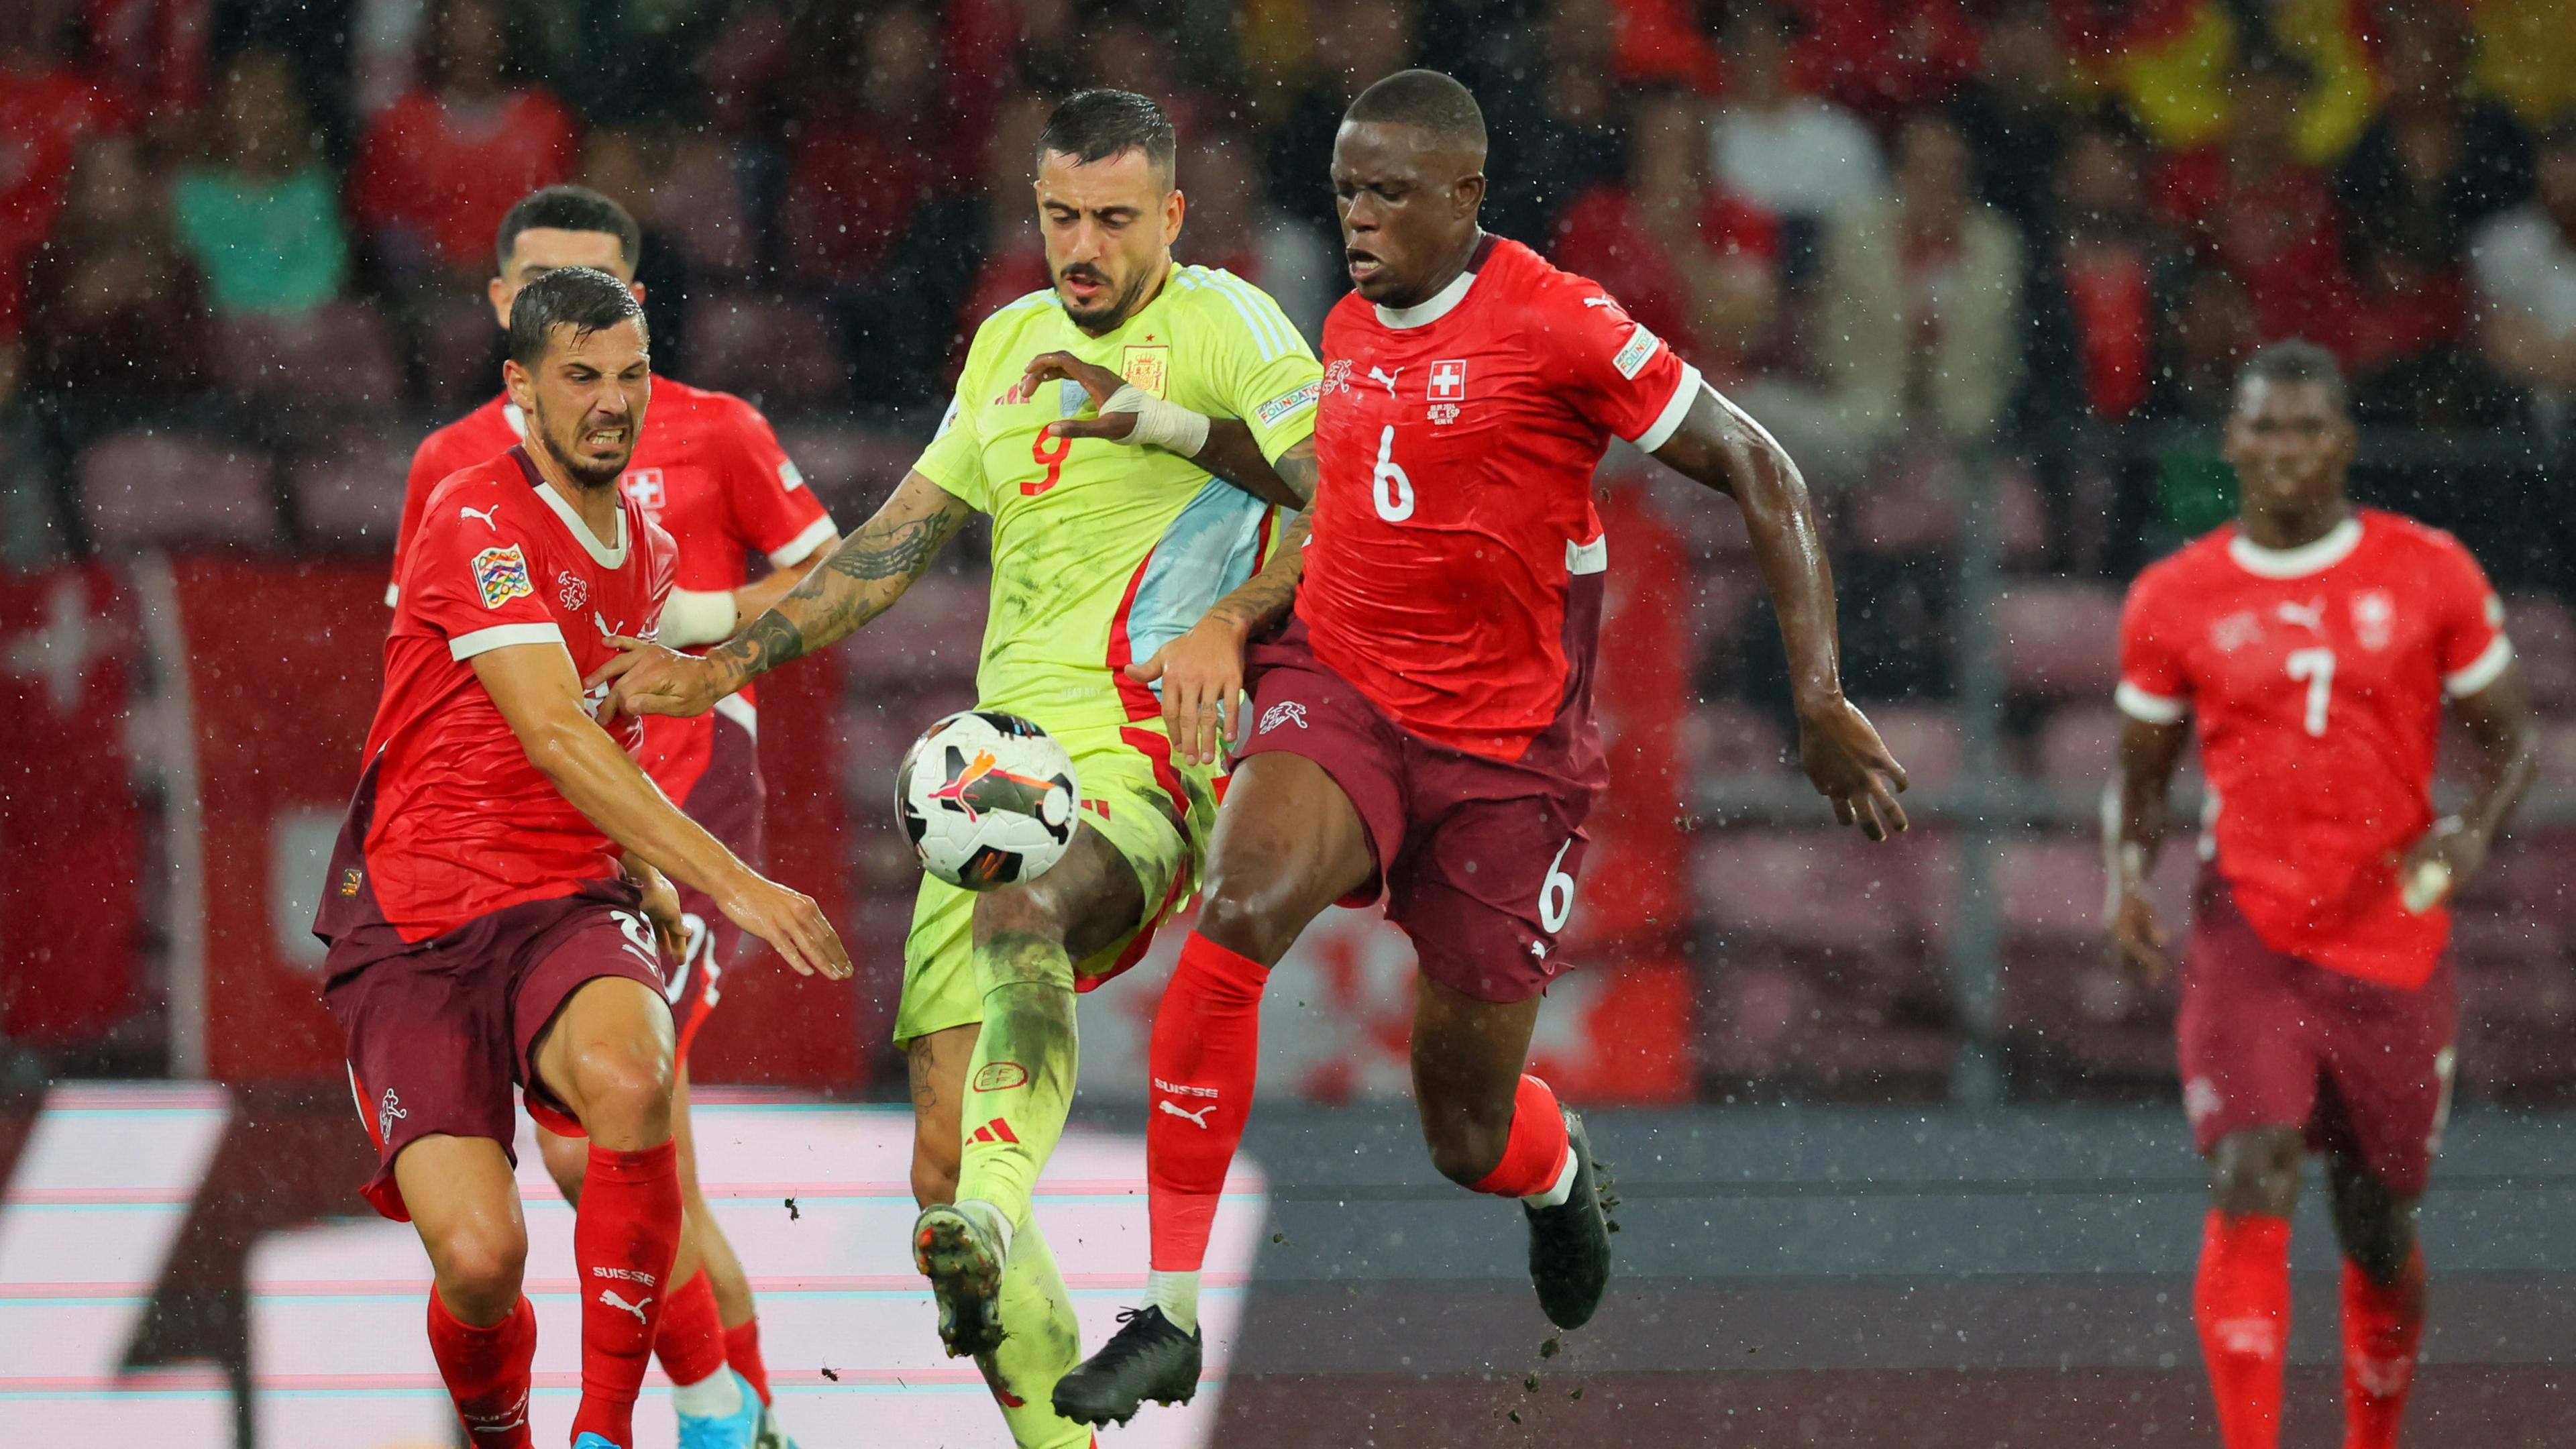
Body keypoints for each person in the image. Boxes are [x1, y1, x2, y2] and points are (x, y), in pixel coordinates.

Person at [1051, 68, 1909, 1426]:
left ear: (1466, 196)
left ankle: (1555, 1170)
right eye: (1345, 192)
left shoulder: (1560, 323)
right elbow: (1331, 476)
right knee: (1237, 912)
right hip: (1340, 689)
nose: (1360, 219)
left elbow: (1764, 466)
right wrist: (1158, 421)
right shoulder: (1339, 322)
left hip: (1506, 764)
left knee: (1464, 1131)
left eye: (1390, 192)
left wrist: (1816, 696)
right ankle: (1166, 1314)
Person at [596, 89, 1320, 1449]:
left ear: (1172, 213)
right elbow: (884, 551)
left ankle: (989, 1204)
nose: (1084, 246)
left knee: (1018, 894)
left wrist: (1232, 618)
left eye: (1115, 219)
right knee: (939, 1163)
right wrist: (721, 660)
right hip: (995, 764)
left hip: (1138, 750)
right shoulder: (1008, 343)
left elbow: (1340, 491)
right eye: (1061, 218)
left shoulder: (1229, 329)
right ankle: (1025, 1341)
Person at [313, 265, 850, 1449]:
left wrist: (645, 869)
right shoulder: (474, 514)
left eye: (630, 376)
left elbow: (607, 732)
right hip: (416, 914)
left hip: (565, 895)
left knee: (632, 1079)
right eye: (581, 379)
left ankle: (608, 1430)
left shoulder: (649, 547)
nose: (612, 403)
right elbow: (553, 730)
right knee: (479, 1257)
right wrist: (739, 885)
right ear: (522, 390)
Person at [2106, 341, 2537, 1449]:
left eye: (2308, 429)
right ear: (2233, 442)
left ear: (2343, 441)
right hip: (2247, 928)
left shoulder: (2430, 570)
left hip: (2391, 936)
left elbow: (2516, 745)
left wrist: (2471, 831)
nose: (2287, 450)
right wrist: (2124, 881)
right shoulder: (2174, 595)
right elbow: (2138, 780)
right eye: (2265, 428)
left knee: (2376, 1224)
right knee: (2253, 1174)